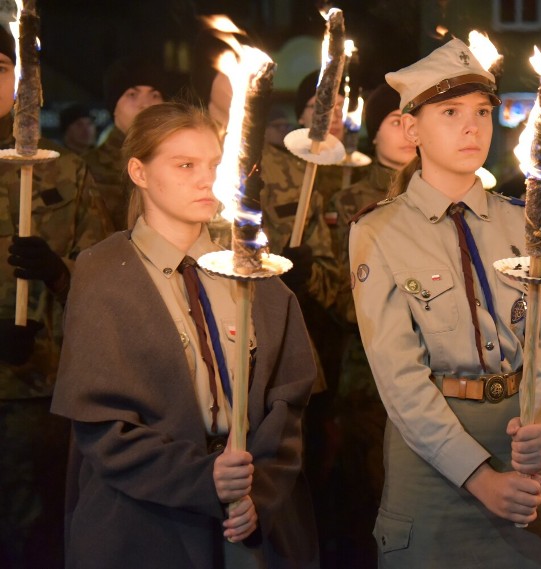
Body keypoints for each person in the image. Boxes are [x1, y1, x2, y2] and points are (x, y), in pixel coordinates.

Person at [50, 102, 319, 568]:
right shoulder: (104, 274)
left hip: (250, 524)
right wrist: (202, 479)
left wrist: (263, 491)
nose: (206, 179)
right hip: (146, 526)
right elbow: (102, 426)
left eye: (214, 165)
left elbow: (288, 402)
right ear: (139, 171)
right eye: (185, 165)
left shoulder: (252, 271)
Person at [349, 38, 541, 567]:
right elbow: (399, 377)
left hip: (523, 446)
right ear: (411, 129)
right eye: (450, 112)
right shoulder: (379, 231)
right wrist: (479, 478)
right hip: (434, 459)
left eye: (481, 112)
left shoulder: (527, 221)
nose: (471, 127)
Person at [0, 26, 106, 569]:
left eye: (0, 66)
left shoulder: (64, 169)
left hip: (40, 388)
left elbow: (103, 279)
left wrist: (60, 276)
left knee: (37, 528)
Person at [326, 82, 417, 568]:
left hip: (435, 372)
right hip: (368, 372)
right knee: (371, 491)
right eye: (392, 122)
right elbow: (344, 290)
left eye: (411, 120)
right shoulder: (352, 199)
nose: (405, 132)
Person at [85, 57, 167, 233]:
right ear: (114, 106)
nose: (145, 104)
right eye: (132, 94)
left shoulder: (179, 162)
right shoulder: (87, 169)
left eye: (154, 95)